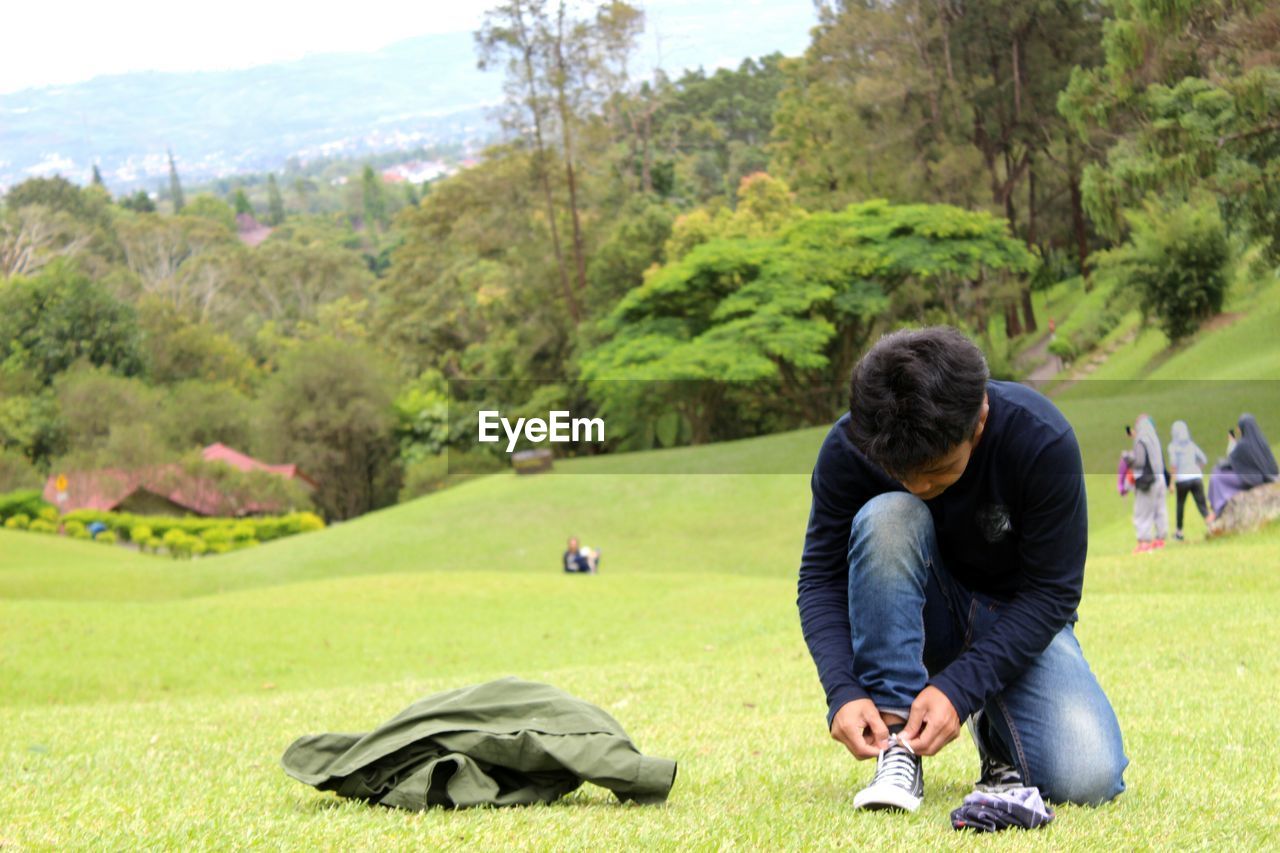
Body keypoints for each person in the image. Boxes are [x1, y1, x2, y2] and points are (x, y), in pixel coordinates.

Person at [798, 326, 1126, 816]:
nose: (918, 483)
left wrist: (960, 688)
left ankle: (994, 733)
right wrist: (842, 689)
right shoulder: (850, 447)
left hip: (1014, 616)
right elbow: (820, 579)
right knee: (889, 514)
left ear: (980, 420)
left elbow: (1052, 594)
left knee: (1088, 777)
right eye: (902, 470)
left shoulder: (1040, 438)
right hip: (919, 614)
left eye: (938, 470)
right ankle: (898, 748)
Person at [1208, 414, 1279, 517]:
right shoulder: (1262, 442)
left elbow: (1231, 461)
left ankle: (1218, 508)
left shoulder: (1243, 445)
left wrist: (1232, 444)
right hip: (1264, 478)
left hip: (1249, 480)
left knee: (1216, 476)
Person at [1166, 420, 1212, 540]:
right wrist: (1197, 469)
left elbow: (1173, 465)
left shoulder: (1172, 447)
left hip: (1182, 480)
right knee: (1202, 505)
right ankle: (1212, 526)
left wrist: (1171, 483)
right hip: (1196, 477)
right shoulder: (1191, 445)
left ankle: (1179, 532)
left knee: (1180, 504)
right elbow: (1204, 459)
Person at [1129, 415, 1168, 553]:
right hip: (1160, 479)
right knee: (1160, 511)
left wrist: (1128, 459)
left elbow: (1139, 461)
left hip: (1147, 481)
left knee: (1143, 511)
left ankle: (1144, 543)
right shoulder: (1154, 438)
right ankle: (1160, 540)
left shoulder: (1141, 439)